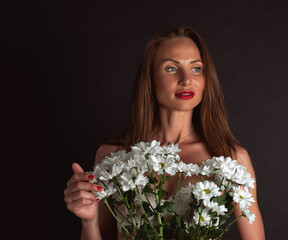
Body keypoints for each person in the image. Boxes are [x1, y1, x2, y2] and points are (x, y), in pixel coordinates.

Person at [64, 26, 265, 240]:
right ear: (150, 78)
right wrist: (88, 221)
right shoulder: (112, 158)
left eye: (196, 69)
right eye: (171, 68)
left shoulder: (231, 160)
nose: (186, 79)